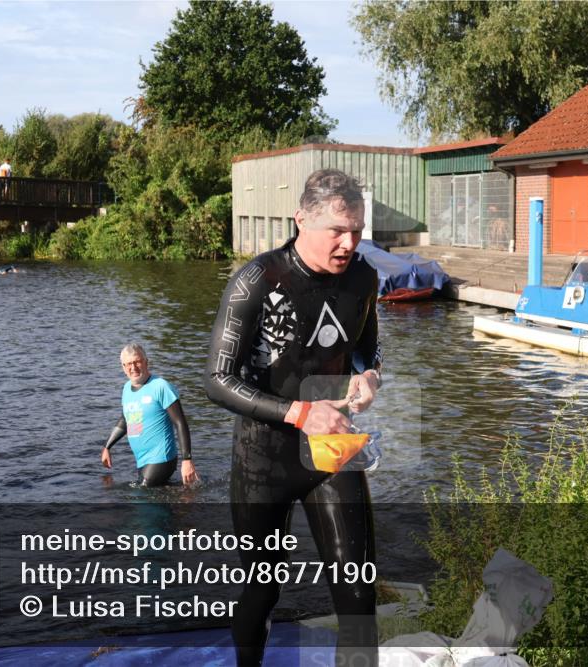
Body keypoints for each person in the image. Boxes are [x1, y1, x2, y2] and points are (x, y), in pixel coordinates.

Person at [204, 168, 382, 666]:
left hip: (332, 447)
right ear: (301, 220)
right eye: (337, 230)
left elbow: (369, 354)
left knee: (359, 599)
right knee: (262, 592)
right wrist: (300, 412)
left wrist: (367, 381)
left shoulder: (364, 278)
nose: (349, 243)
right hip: (264, 456)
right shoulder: (257, 281)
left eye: (358, 230)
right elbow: (217, 380)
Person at [101, 344, 198, 487]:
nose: (133, 367)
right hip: (142, 459)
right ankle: (186, 495)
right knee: (154, 495)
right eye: (128, 364)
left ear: (146, 362)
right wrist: (107, 447)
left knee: (142, 494)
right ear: (123, 367)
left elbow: (180, 422)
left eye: (137, 362)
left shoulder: (161, 386)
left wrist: (187, 460)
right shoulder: (127, 389)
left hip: (161, 457)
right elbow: (125, 420)